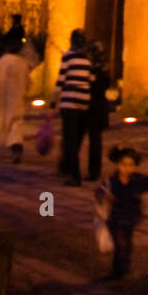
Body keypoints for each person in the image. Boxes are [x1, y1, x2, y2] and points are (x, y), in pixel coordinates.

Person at [97, 146, 148, 280]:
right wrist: (106, 196)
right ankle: (118, 270)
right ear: (118, 164)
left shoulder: (137, 181)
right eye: (124, 164)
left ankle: (124, 267)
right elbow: (99, 190)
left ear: (135, 166)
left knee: (127, 244)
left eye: (131, 165)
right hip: (115, 220)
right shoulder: (112, 182)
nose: (127, 168)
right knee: (120, 244)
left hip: (130, 219)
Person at [51, 28, 94, 186]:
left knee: (69, 138)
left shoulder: (68, 56)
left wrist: (53, 103)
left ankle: (74, 175)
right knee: (77, 138)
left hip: (69, 101)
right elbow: (90, 79)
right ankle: (67, 166)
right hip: (84, 102)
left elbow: (61, 79)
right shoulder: (88, 59)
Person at [0, 37, 29, 163]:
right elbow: (27, 82)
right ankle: (16, 148)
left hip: (1, 99)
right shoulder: (23, 63)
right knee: (15, 124)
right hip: (16, 99)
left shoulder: (2, 62)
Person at [85, 41, 111, 182]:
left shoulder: (98, 68)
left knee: (94, 141)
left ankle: (93, 171)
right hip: (96, 106)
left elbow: (103, 84)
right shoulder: (100, 68)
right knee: (94, 140)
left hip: (93, 106)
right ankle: (92, 171)